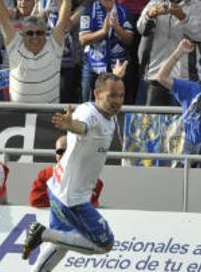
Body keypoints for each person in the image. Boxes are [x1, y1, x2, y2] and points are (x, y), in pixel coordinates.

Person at [21, 73, 125, 270]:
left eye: (121, 96)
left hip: (59, 188)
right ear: (97, 94)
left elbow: (105, 90)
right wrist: (71, 126)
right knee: (105, 244)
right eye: (112, 95)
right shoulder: (90, 116)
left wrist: (117, 76)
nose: (117, 101)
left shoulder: (97, 108)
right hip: (72, 199)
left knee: (62, 241)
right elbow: (83, 127)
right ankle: (43, 233)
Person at [0, 0, 77, 103]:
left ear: (46, 33)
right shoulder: (15, 45)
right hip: (18, 117)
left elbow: (62, 21)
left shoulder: (54, 46)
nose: (35, 36)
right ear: (22, 35)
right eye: (30, 33)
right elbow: (3, 20)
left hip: (48, 118)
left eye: (40, 32)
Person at [137, 0, 201, 106]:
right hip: (156, 74)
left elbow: (200, 35)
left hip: (184, 77)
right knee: (153, 125)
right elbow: (141, 28)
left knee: (182, 125)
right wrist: (150, 14)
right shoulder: (155, 2)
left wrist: (182, 16)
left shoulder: (196, 5)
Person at [78, 0, 133, 100]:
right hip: (92, 65)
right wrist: (103, 32)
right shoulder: (88, 11)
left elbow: (129, 39)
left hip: (117, 65)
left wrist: (117, 28)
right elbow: (82, 40)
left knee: (115, 101)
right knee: (88, 103)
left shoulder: (124, 12)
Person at [29, 135, 103, 208]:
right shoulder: (45, 175)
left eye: (69, 150)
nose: (64, 154)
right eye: (60, 151)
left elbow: (92, 204)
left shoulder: (92, 179)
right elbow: (35, 200)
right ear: (56, 155)